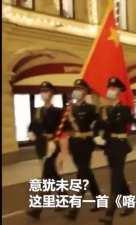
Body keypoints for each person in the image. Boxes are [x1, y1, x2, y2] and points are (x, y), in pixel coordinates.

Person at [96, 77, 136, 225]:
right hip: (109, 146)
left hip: (120, 147)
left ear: (120, 91)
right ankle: (130, 203)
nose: (110, 91)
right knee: (119, 177)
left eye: (114, 89)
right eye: (110, 88)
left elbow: (134, 122)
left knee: (114, 178)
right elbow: (99, 127)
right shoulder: (103, 110)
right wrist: (97, 138)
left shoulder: (125, 109)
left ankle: (110, 213)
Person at [64, 79, 102, 220]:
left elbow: (97, 128)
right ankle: (99, 199)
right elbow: (65, 128)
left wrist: (85, 134)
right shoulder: (69, 109)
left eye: (80, 88)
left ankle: (74, 208)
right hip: (74, 145)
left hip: (86, 144)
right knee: (86, 171)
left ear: (85, 92)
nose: (77, 91)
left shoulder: (91, 108)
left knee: (82, 175)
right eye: (75, 88)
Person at [26, 81, 63, 220]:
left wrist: (55, 139)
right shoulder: (37, 111)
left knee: (46, 177)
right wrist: (30, 132)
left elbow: (62, 130)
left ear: (52, 94)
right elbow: (32, 126)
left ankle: (37, 209)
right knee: (53, 175)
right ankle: (64, 199)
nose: (44, 93)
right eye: (42, 91)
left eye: (46, 91)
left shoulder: (58, 111)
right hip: (41, 147)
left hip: (53, 147)